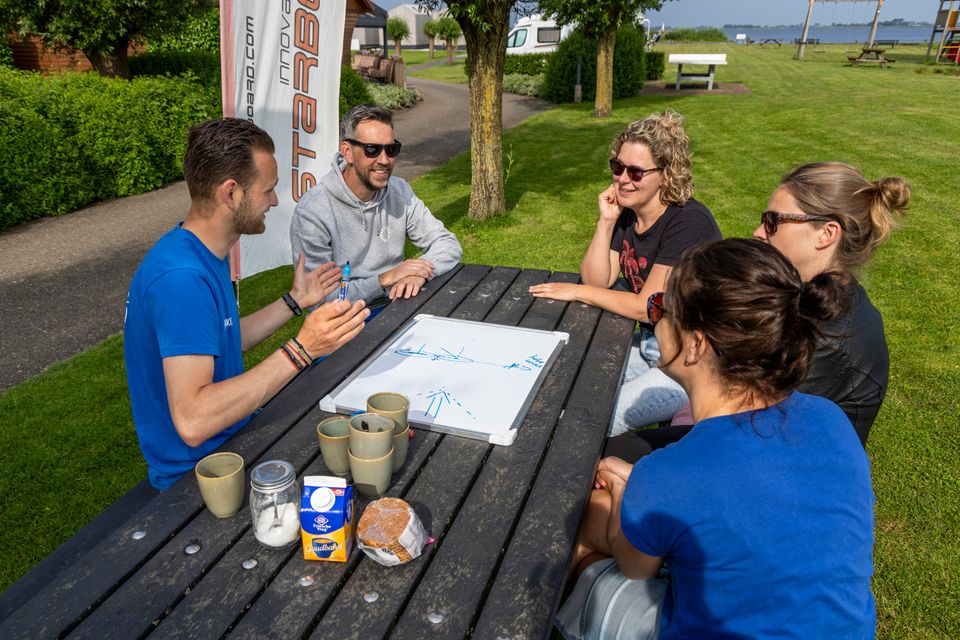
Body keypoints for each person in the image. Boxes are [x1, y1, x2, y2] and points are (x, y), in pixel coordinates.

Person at [555, 239, 876, 640]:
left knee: (584, 532)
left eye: (660, 308)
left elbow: (635, 567)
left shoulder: (671, 473)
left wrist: (625, 493)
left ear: (696, 344)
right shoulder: (830, 418)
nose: (654, 318)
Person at [124, 118, 369, 490]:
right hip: (202, 477)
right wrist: (302, 349)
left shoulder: (200, 250)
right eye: (267, 190)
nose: (274, 200)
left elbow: (222, 339)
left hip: (231, 445)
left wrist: (294, 301)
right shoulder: (181, 280)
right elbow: (193, 421)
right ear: (231, 193)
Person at [614, 161, 909, 455]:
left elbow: (738, 425)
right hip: (750, 442)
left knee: (605, 456)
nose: (758, 232)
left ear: (826, 234)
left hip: (777, 464)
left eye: (773, 221)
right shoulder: (808, 294)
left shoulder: (830, 339)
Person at [529, 110, 721, 435]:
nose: (622, 179)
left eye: (636, 172)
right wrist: (606, 221)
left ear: (666, 175)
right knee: (565, 382)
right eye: (617, 167)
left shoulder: (688, 222)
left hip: (693, 365)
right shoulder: (629, 214)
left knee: (590, 421)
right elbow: (598, 279)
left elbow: (647, 306)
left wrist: (577, 291)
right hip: (650, 345)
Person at [290, 104, 462, 306]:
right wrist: (385, 279)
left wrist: (419, 273)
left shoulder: (399, 190)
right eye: (372, 149)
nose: (384, 160)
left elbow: (447, 243)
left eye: (391, 149)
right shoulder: (312, 213)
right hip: (345, 317)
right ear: (347, 151)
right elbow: (320, 298)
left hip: (399, 303)